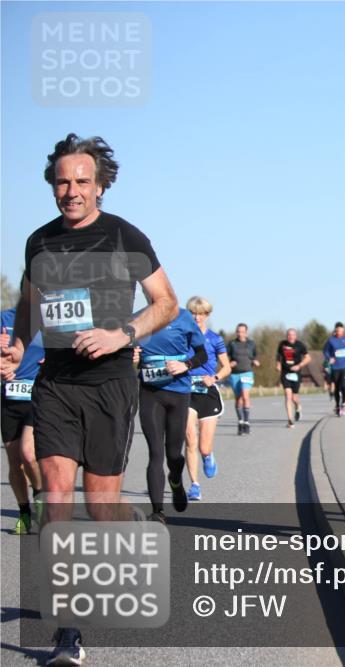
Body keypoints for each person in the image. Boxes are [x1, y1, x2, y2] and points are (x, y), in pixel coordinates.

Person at [0, 133, 178, 666]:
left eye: (81, 181)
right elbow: (29, 305)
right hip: (55, 383)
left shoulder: (124, 236)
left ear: (100, 186)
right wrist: (13, 348)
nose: (71, 190)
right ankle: (68, 632)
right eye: (62, 181)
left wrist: (122, 334)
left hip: (109, 383)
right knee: (57, 496)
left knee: (102, 507)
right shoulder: (39, 242)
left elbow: (166, 303)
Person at [135, 308, 206, 523]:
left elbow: (202, 354)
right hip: (150, 394)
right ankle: (158, 512)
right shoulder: (137, 318)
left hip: (178, 393)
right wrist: (131, 356)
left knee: (174, 454)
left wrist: (186, 364)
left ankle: (176, 480)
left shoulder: (183, 317)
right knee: (155, 453)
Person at [1, 307, 44, 535]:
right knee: (14, 462)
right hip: (10, 399)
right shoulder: (5, 319)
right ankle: (24, 513)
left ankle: (39, 496)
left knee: (29, 454)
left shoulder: (50, 318)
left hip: (38, 397)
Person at [184, 297, 231, 501]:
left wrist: (215, 378)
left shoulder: (214, 339)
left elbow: (227, 367)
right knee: (189, 440)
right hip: (186, 391)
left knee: (204, 446)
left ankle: (208, 456)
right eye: (193, 313)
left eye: (201, 313)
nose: (196, 317)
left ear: (207, 315)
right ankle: (194, 485)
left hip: (208, 392)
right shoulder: (182, 337)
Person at [227, 323, 259, 435]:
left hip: (247, 373)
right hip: (235, 374)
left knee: (245, 396)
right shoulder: (232, 344)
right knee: (238, 399)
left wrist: (256, 361)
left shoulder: (251, 343)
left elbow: (255, 356)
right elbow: (224, 358)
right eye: (238, 331)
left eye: (242, 331)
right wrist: (229, 363)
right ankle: (240, 421)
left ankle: (246, 422)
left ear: (246, 332)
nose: (240, 333)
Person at [276, 328, 310, 428]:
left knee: (294, 398)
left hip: (296, 373)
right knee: (288, 395)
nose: (290, 336)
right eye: (289, 335)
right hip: (285, 372)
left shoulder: (300, 345)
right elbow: (278, 356)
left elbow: (308, 358)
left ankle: (298, 406)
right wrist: (278, 364)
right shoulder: (282, 344)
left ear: (295, 336)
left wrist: (299, 366)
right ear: (287, 336)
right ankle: (290, 420)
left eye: (292, 335)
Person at [322, 322, 345, 417]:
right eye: (337, 331)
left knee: (344, 386)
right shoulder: (331, 340)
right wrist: (329, 358)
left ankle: (344, 405)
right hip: (335, 367)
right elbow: (325, 351)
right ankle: (337, 405)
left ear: (343, 331)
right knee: (336, 388)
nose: (339, 332)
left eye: (341, 331)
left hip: (344, 366)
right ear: (335, 331)